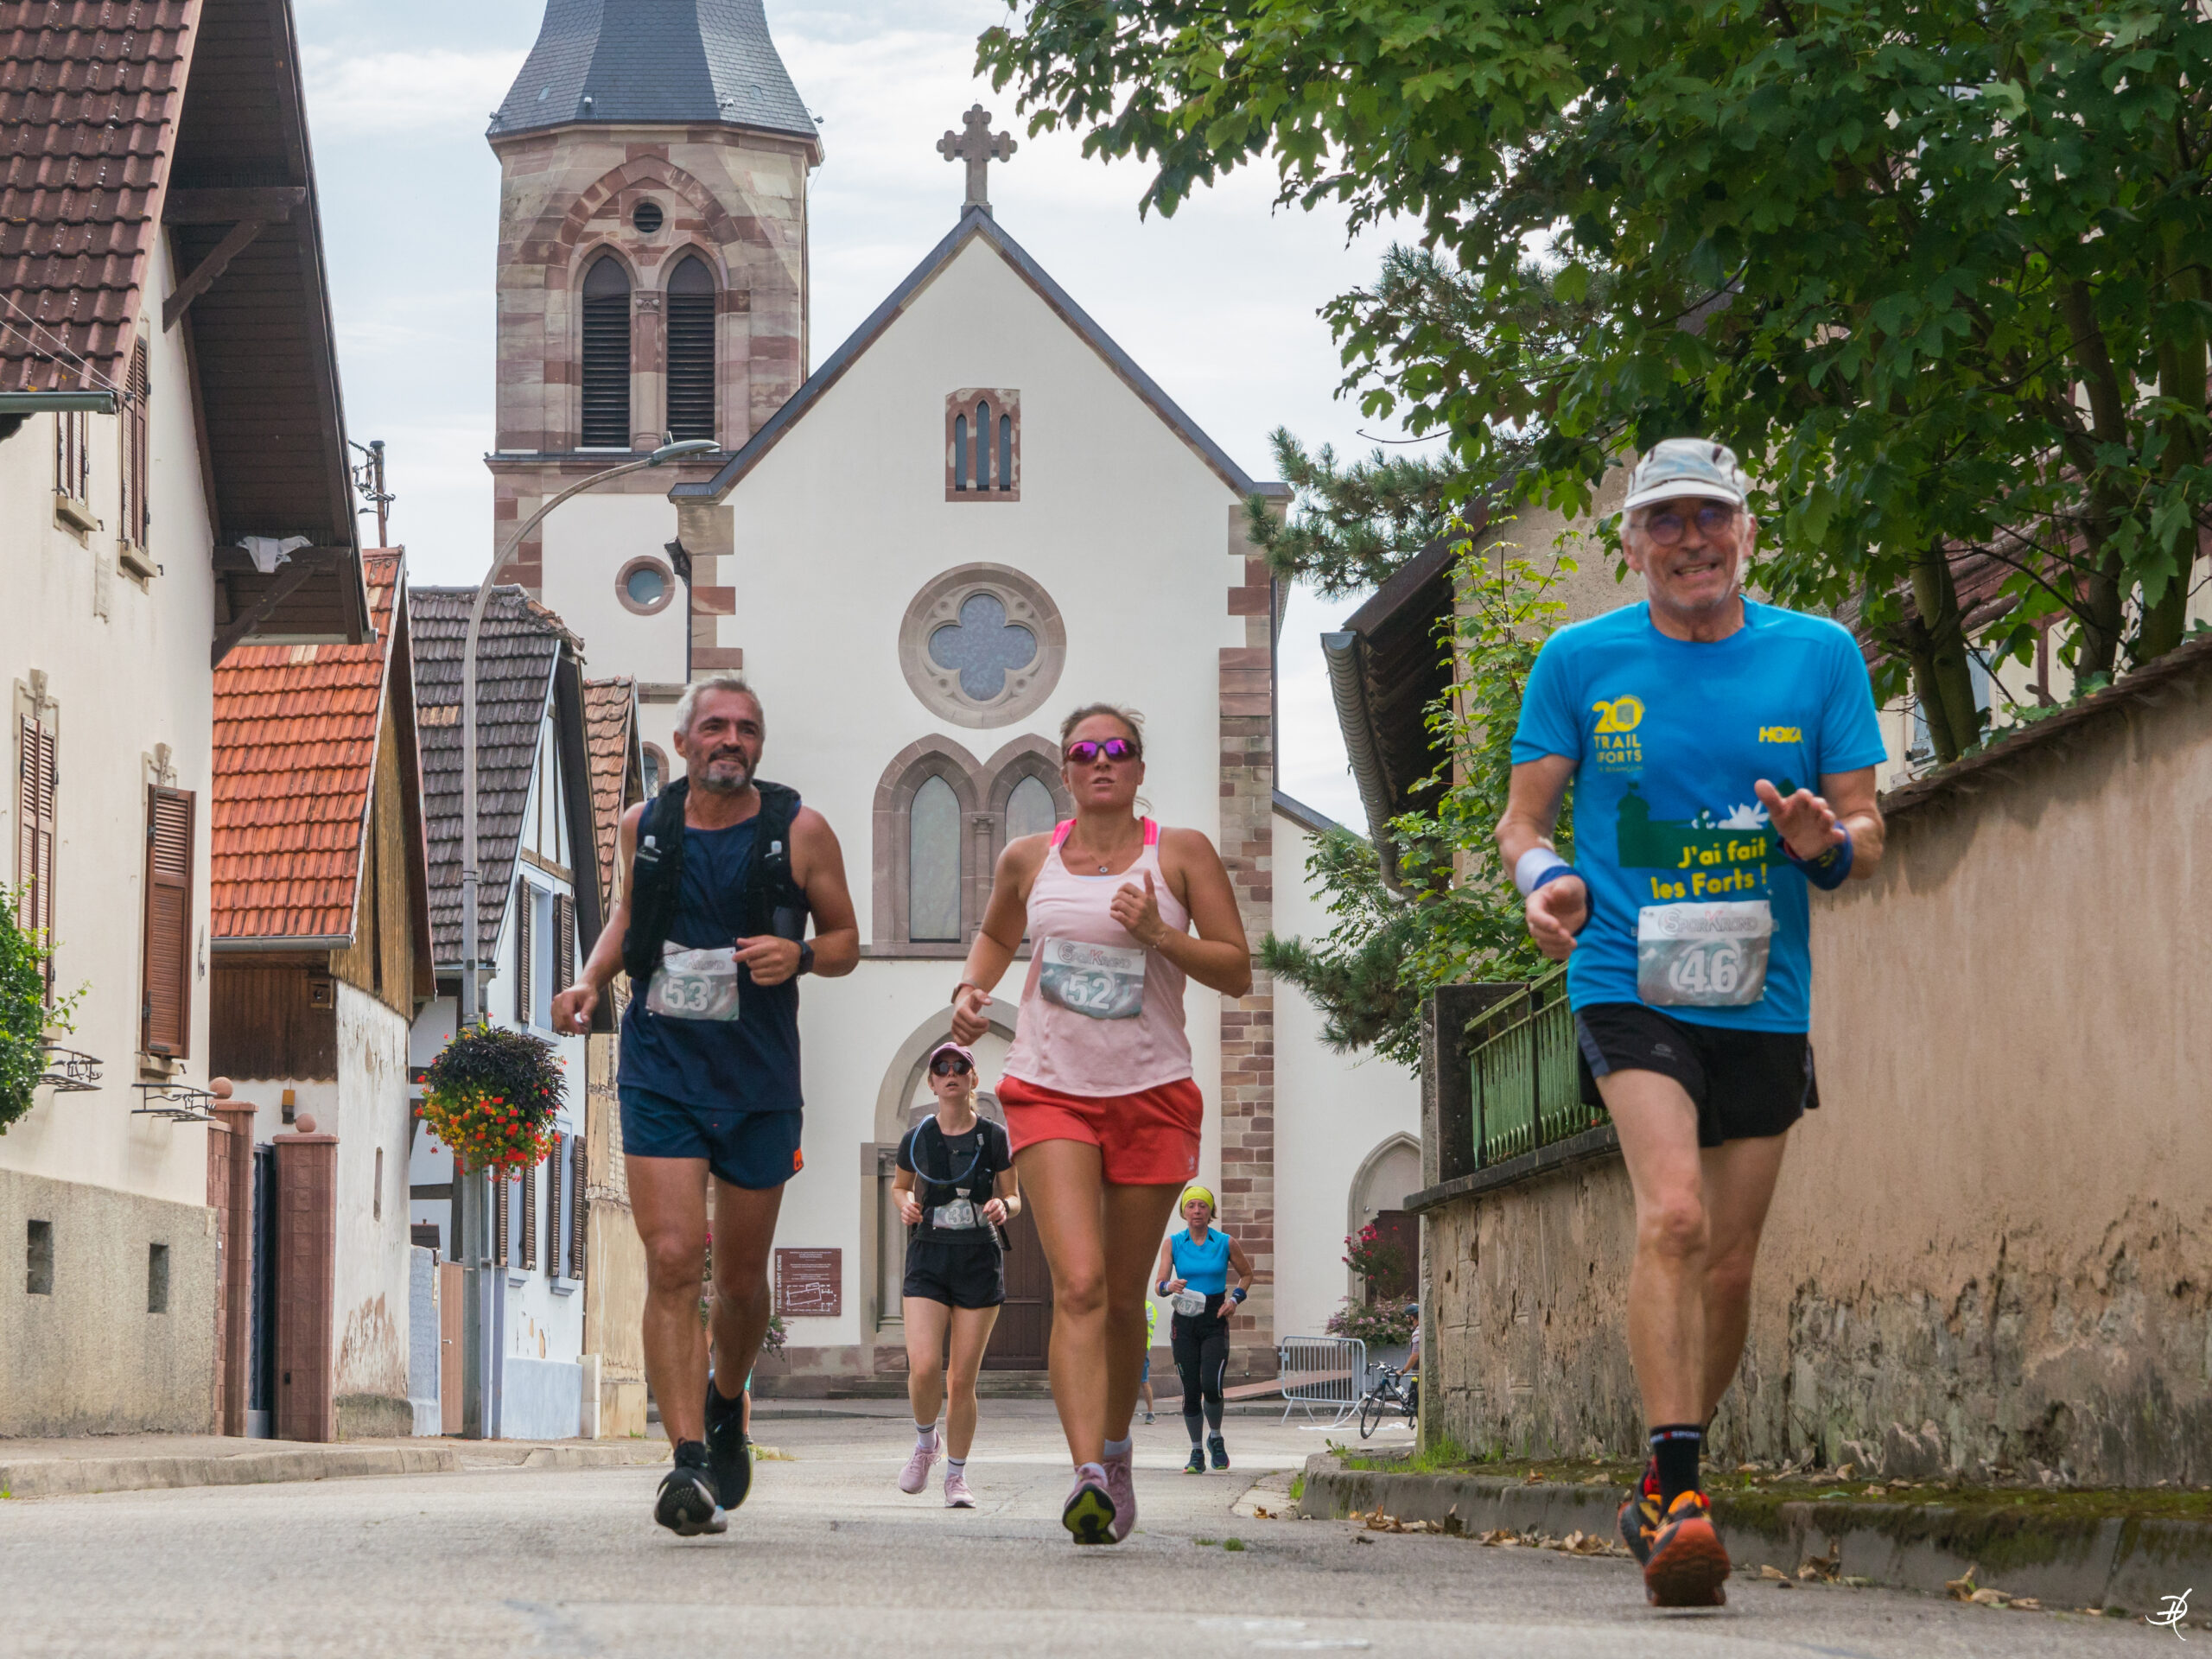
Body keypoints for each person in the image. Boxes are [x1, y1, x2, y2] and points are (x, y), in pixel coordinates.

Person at [1496, 439, 1886, 1606]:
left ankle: (1658, 1481)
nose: (1690, 541)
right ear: (1631, 545)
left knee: (1728, 1263)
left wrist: (1827, 844)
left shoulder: (1818, 656)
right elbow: (1523, 823)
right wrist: (1545, 882)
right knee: (1673, 1215)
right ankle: (1682, 1499)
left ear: (1747, 534)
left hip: (1763, 993)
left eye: (1710, 517)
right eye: (1663, 521)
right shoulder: (1579, 660)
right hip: (1628, 975)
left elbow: (1868, 827)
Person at [554, 677, 859, 1537]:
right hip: (662, 1069)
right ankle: (686, 1460)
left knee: (741, 1283)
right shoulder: (643, 827)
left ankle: (728, 1400)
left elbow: (845, 942)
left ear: (759, 745)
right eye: (715, 727)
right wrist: (590, 979)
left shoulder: (799, 832)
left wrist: (799, 956)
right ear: (684, 742)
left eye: (747, 729)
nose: (732, 740)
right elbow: (630, 919)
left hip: (758, 1079)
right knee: (672, 1258)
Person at [950, 703, 1253, 1545]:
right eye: (1084, 751)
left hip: (1151, 1092)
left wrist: (1158, 934)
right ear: (1066, 770)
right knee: (1078, 1284)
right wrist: (970, 991)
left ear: (1139, 766)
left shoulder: (1181, 854)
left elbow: (1236, 969)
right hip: (1050, 1089)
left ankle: (1116, 1453)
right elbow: (994, 936)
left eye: (1118, 748)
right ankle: (1085, 1472)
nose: (1101, 760)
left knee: (1121, 1300)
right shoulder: (1027, 859)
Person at [893, 1039, 1020, 1510]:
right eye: (942, 1068)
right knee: (925, 1366)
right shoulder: (917, 1137)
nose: (950, 1074)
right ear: (931, 1082)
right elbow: (900, 1185)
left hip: (978, 1261)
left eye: (959, 1068)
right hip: (928, 1256)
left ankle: (957, 1478)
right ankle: (926, 1443)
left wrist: (1004, 1206)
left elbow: (1015, 1196)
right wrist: (905, 1203)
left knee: (961, 1381)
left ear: (973, 1079)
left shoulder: (995, 1137)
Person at [1153, 1185, 1252, 1473]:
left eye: (1203, 1206)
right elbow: (1159, 1285)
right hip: (1184, 1322)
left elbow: (1247, 1274)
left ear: (1211, 1212)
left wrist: (1234, 1300)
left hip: (1214, 1319)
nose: (1197, 1211)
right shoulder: (1173, 1243)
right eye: (1191, 1206)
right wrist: (1169, 1285)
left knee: (1212, 1386)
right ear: (1184, 1211)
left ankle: (1216, 1438)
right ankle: (1196, 1451)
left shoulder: (1225, 1242)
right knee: (1191, 1389)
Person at [1140, 1298, 1157, 1425]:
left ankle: (1151, 1412)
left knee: (1144, 1381)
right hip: (1125, 1348)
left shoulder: (1148, 1306)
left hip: (1141, 1348)